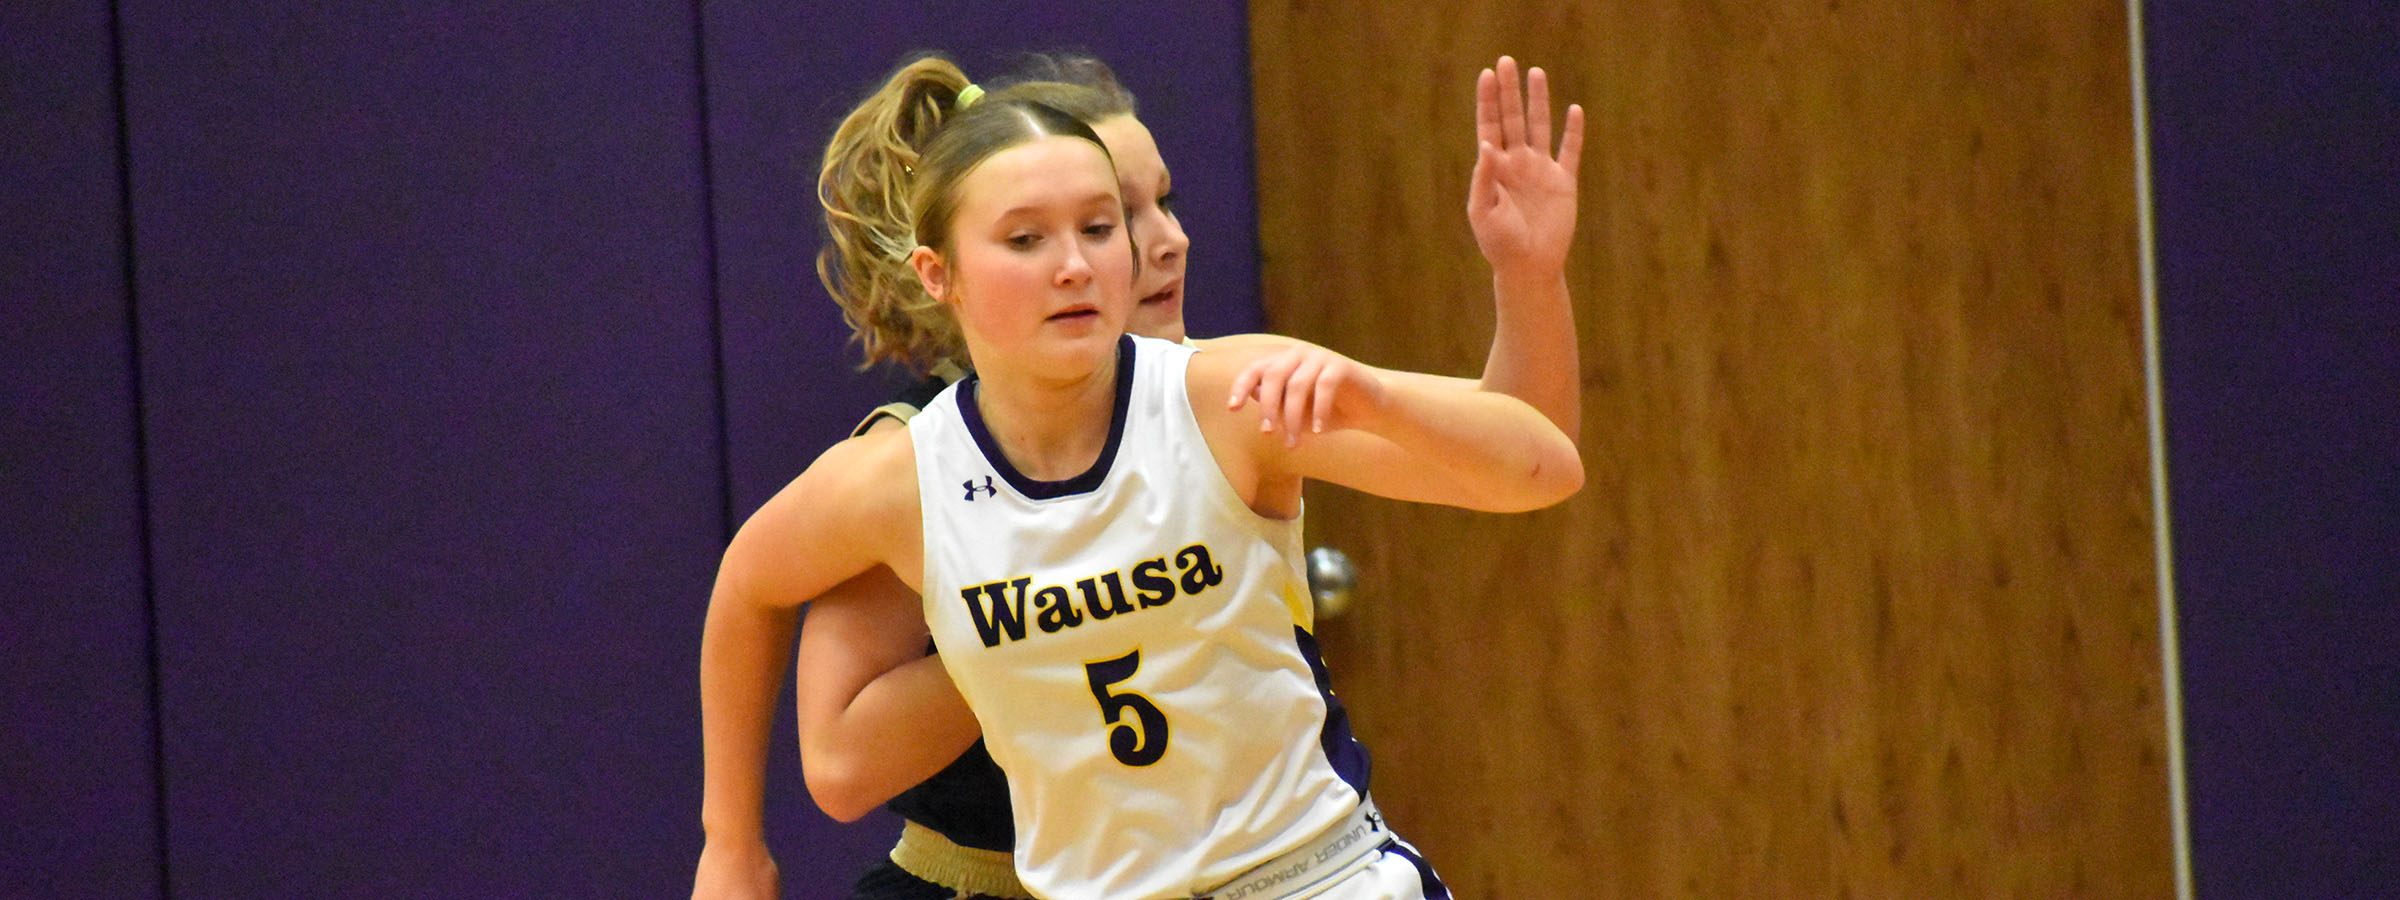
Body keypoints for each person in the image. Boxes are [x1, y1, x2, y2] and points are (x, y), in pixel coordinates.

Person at [697, 53, 1586, 900]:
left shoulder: (1227, 395)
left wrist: (1387, 392)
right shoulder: (905, 475)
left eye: (1100, 226)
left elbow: (1539, 464)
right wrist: (731, 847)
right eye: (1027, 238)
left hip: (1313, 875)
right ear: (940, 275)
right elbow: (751, 587)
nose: (1081, 262)